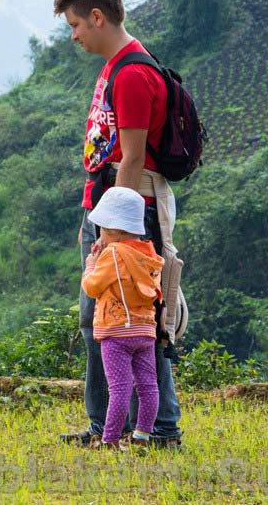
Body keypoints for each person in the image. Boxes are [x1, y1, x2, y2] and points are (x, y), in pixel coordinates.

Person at [53, 0, 183, 449]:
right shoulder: (116, 66)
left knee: (133, 322)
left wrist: (112, 233)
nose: (73, 36)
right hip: (108, 211)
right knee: (105, 321)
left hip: (123, 216)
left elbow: (130, 159)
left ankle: (158, 428)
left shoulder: (131, 74)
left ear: (97, 16)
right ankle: (112, 424)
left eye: (75, 25)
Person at [81, 187, 163, 450]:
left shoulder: (112, 254)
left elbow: (92, 287)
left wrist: (91, 264)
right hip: (145, 331)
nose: (101, 234)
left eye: (103, 228)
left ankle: (110, 440)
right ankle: (142, 437)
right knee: (148, 386)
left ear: (114, 229)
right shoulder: (148, 252)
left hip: (116, 332)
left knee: (119, 389)